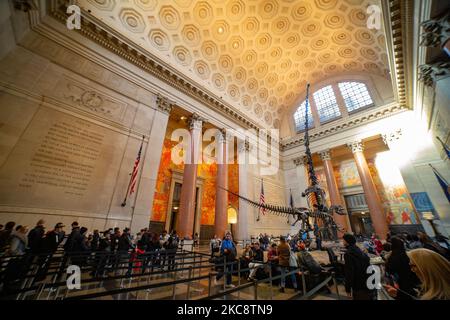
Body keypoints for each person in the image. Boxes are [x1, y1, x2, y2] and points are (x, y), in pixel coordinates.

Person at [385, 248, 450, 300]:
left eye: (413, 266)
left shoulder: (439, 296)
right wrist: (398, 295)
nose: (412, 270)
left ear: (425, 268)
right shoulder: (430, 288)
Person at [342, 233, 374, 300]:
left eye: (343, 240)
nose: (342, 242)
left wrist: (347, 288)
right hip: (367, 281)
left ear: (347, 242)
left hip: (358, 284)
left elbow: (349, 272)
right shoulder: (358, 249)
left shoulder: (348, 254)